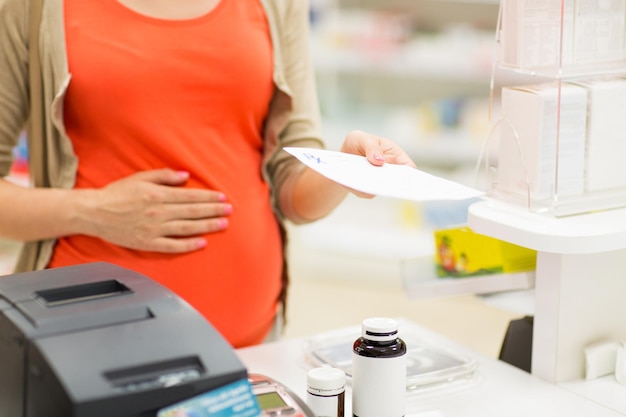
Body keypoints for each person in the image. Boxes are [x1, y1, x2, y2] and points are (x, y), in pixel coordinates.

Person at [0, 0, 417, 348]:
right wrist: (91, 211)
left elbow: (291, 186)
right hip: (85, 346)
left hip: (249, 347)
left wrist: (346, 169)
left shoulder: (276, 4)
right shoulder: (34, 8)